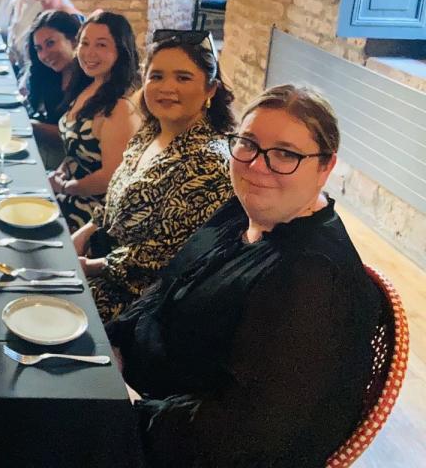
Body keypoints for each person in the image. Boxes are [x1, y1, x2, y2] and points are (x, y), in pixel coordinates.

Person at [106, 85, 381, 467]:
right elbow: (166, 287)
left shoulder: (314, 280)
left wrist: (126, 412)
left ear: (326, 166)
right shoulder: (240, 210)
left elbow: (243, 431)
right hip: (133, 391)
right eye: (247, 144)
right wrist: (112, 343)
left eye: (285, 154)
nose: (256, 166)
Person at [72, 30, 235, 322]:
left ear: (211, 89)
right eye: (156, 76)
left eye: (183, 78)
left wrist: (86, 267)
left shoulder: (208, 162)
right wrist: (84, 233)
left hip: (135, 305)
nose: (166, 87)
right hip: (101, 267)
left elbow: (159, 261)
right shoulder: (151, 131)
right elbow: (116, 198)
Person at [50, 11, 142, 231]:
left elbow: (110, 177)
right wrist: (62, 170)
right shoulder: (89, 85)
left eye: (101, 45)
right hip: (69, 189)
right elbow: (78, 149)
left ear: (121, 50)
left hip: (90, 213)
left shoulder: (119, 107)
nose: (89, 53)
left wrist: (66, 187)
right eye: (84, 43)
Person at [25, 10, 83, 168]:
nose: (44, 54)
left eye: (50, 43)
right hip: (50, 150)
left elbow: (74, 136)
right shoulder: (51, 74)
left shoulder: (89, 79)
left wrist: (30, 126)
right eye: (39, 48)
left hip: (72, 161)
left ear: (73, 40)